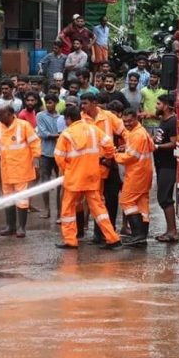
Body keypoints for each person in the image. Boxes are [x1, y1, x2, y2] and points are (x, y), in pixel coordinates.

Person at [54, 106, 122, 249]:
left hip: (74, 179)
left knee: (67, 209)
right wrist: (107, 157)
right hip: (92, 176)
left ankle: (70, 240)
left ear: (68, 119)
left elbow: (59, 157)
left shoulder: (66, 134)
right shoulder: (93, 129)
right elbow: (109, 144)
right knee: (99, 208)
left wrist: (68, 169)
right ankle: (113, 238)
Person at [0, 105, 40, 238]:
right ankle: (10, 226)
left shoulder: (24, 126)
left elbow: (35, 142)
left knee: (22, 199)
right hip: (6, 170)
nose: (0, 118)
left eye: (2, 115)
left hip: (22, 169)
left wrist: (36, 158)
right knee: (8, 198)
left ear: (11, 114)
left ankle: (21, 228)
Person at [80, 92, 126, 240]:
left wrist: (125, 144)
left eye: (85, 103)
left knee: (111, 200)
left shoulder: (108, 117)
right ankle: (98, 234)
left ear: (94, 103)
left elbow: (124, 131)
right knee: (96, 201)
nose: (83, 106)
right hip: (91, 165)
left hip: (109, 163)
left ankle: (110, 231)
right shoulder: (81, 119)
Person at [115, 108, 155, 247]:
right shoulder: (141, 131)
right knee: (141, 204)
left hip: (136, 174)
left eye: (130, 121)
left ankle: (137, 235)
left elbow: (131, 157)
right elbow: (151, 146)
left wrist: (115, 155)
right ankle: (141, 236)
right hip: (145, 172)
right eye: (124, 122)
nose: (127, 124)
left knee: (126, 201)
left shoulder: (136, 134)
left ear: (136, 119)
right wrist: (127, 146)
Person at [153, 94, 178, 242]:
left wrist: (157, 146)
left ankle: (172, 231)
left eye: (158, 104)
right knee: (163, 197)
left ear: (166, 106)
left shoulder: (172, 122)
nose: (156, 106)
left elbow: (174, 143)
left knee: (165, 198)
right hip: (161, 164)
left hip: (169, 166)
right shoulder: (164, 121)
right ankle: (171, 230)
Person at [36, 94, 62, 220]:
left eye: (51, 102)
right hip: (45, 153)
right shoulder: (40, 115)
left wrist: (57, 135)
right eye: (47, 103)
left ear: (56, 103)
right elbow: (43, 133)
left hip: (59, 153)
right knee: (44, 181)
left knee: (60, 182)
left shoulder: (61, 117)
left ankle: (60, 211)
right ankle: (47, 208)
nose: (48, 105)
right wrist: (59, 135)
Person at [140, 70, 167, 135]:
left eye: (154, 77)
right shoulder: (143, 90)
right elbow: (141, 104)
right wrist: (144, 113)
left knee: (158, 142)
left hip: (160, 123)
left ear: (159, 79)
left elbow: (166, 106)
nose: (152, 79)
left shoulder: (164, 91)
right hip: (147, 123)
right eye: (151, 77)